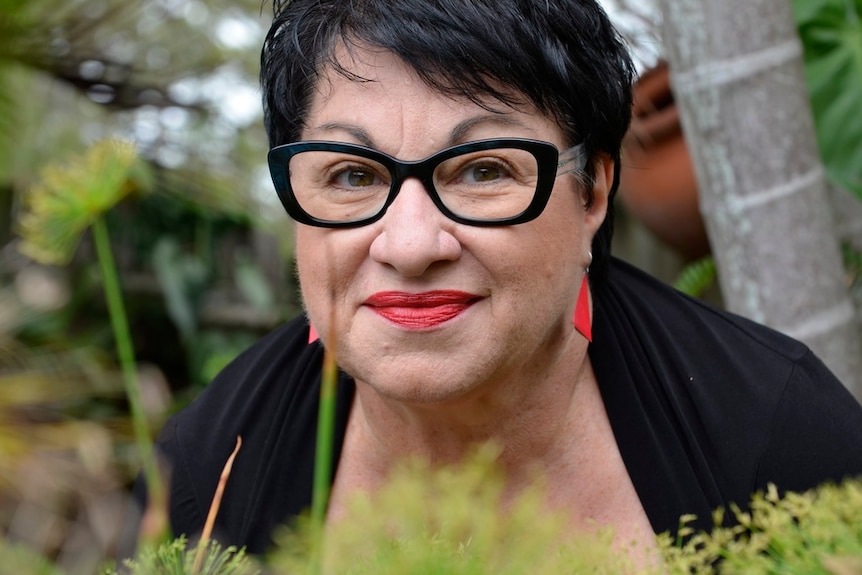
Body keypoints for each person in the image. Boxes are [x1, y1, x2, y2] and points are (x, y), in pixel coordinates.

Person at [140, 0, 862, 560]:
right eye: (353, 175)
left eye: (484, 169)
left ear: (593, 194)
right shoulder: (207, 471)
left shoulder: (780, 440)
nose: (413, 245)